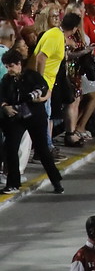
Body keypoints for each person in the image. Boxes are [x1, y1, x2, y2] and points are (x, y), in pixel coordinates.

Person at [0, 46, 63, 193]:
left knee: (43, 150)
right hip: (16, 117)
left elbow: (42, 87)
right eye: (7, 66)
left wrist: (33, 96)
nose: (9, 69)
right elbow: (2, 96)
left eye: (12, 66)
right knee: (11, 148)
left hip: (34, 116)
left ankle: (56, 181)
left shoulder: (31, 75)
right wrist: (5, 107)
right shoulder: (6, 80)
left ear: (19, 64)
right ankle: (13, 183)